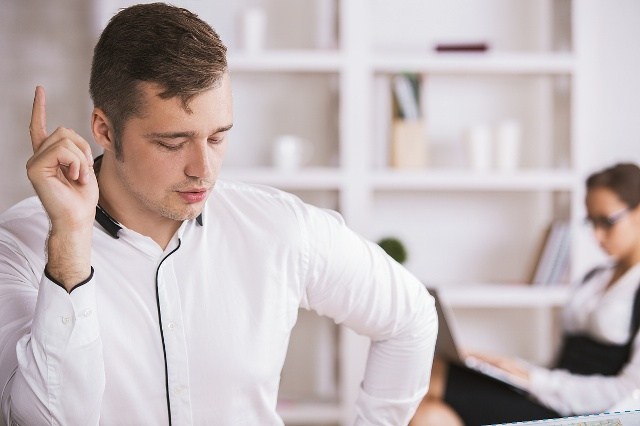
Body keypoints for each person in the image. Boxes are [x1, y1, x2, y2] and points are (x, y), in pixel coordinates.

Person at [0, 4, 437, 425]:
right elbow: (46, 420)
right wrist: (71, 243)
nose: (203, 170)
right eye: (173, 143)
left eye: (217, 138)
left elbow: (410, 317)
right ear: (105, 130)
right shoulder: (19, 247)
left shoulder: (277, 227)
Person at [410, 162, 640, 426]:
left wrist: (534, 379)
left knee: (435, 378)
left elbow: (630, 392)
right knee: (429, 415)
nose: (597, 236)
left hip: (582, 415)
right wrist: (506, 367)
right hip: (550, 397)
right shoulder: (594, 278)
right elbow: (560, 365)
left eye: (607, 222)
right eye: (591, 222)